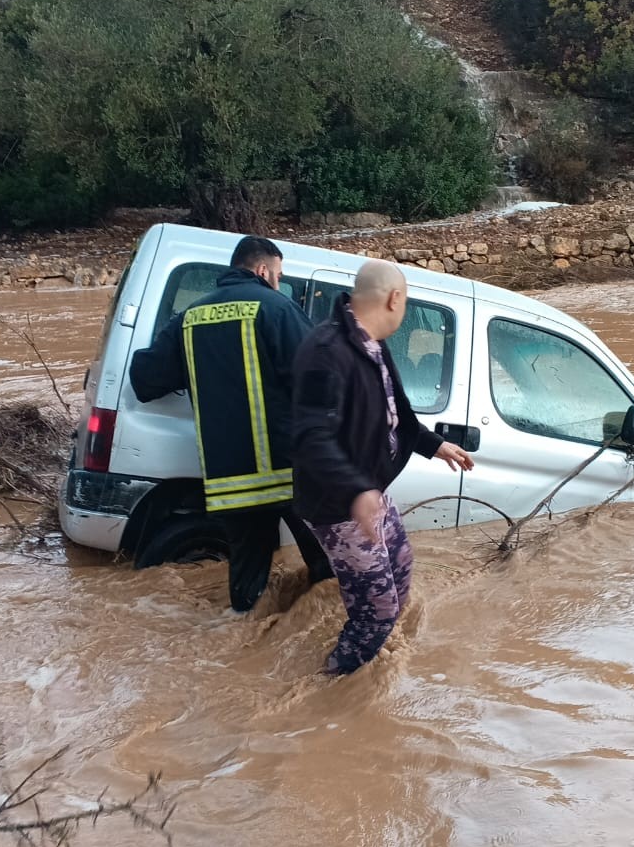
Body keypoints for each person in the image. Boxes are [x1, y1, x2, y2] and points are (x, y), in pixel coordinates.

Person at [130, 235, 334, 611]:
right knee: (331, 570)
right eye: (278, 274)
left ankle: (242, 638)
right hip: (289, 472)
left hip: (231, 481)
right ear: (262, 269)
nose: (277, 281)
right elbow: (323, 378)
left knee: (246, 590)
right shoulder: (278, 309)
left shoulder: (190, 319)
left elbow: (145, 380)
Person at [290, 260, 475, 674]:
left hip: (370, 492)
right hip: (339, 504)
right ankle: (326, 691)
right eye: (405, 302)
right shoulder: (326, 352)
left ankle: (373, 660)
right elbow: (309, 436)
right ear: (395, 298)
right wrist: (357, 492)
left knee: (401, 569)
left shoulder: (373, 345)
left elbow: (398, 414)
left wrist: (435, 444)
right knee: (377, 612)